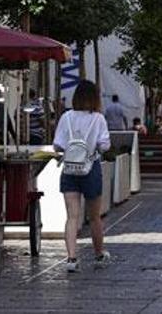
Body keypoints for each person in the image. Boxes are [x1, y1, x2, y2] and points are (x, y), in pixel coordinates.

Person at [53, 80, 111, 273]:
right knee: (94, 217)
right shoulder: (98, 119)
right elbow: (105, 145)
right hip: (90, 168)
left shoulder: (66, 117)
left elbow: (57, 145)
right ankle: (99, 254)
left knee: (72, 216)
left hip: (69, 169)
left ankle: (71, 258)